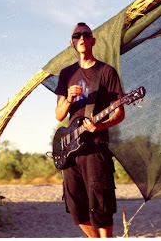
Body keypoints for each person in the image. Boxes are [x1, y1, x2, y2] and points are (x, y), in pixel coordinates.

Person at [54, 22, 125, 238]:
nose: (82, 38)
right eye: (77, 36)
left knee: (101, 208)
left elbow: (119, 113)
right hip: (71, 150)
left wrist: (100, 125)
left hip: (95, 148)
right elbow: (59, 115)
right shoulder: (66, 74)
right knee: (76, 207)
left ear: (93, 40)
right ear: (72, 43)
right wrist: (69, 98)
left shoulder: (106, 72)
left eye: (86, 35)